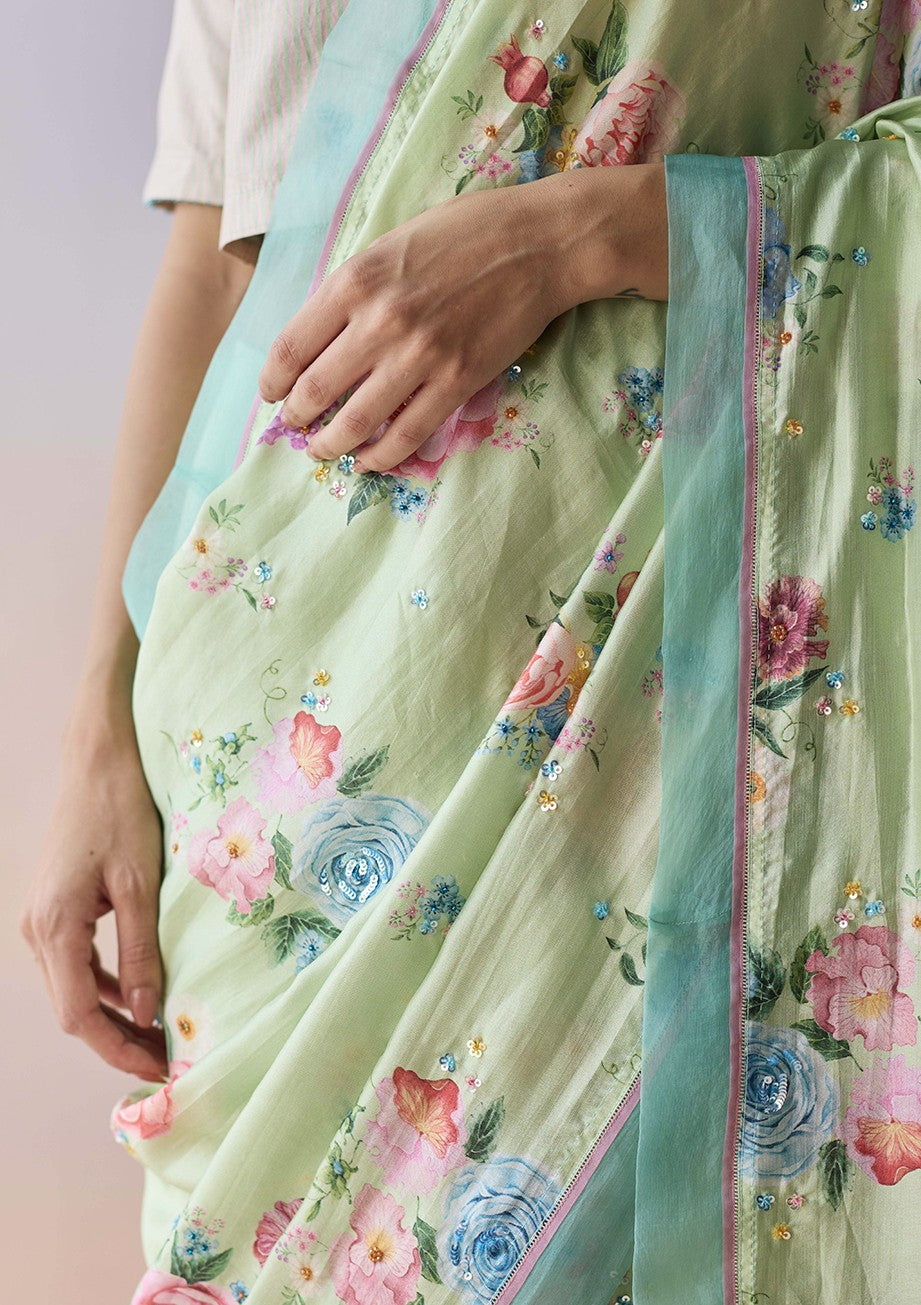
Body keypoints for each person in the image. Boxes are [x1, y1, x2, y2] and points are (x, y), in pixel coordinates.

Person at [20, 2, 921, 1303]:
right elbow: (216, 268)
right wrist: (97, 725)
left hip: (647, 707)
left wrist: (572, 236)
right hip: (265, 773)